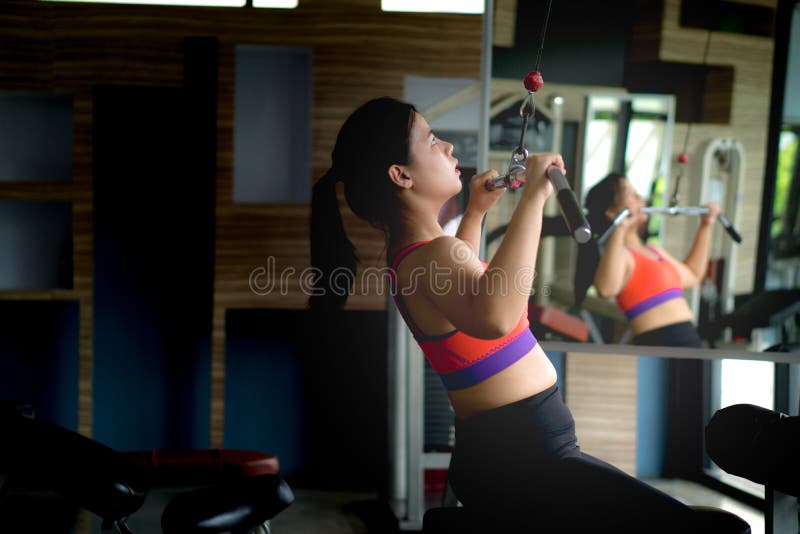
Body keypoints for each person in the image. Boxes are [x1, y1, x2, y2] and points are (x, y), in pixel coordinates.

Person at [309, 97, 746, 532]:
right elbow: (496, 314)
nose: (447, 149)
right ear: (401, 175)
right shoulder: (432, 255)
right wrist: (534, 198)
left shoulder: (415, 256)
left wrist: (476, 212)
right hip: (527, 457)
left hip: (514, 451)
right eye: (432, 139)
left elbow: (465, 286)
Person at [577, 172, 720, 348]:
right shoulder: (622, 255)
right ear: (611, 212)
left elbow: (693, 275)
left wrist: (706, 225)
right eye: (629, 194)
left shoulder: (654, 252)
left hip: (691, 340)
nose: (639, 197)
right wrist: (620, 227)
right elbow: (606, 289)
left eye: (636, 192)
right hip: (660, 345)